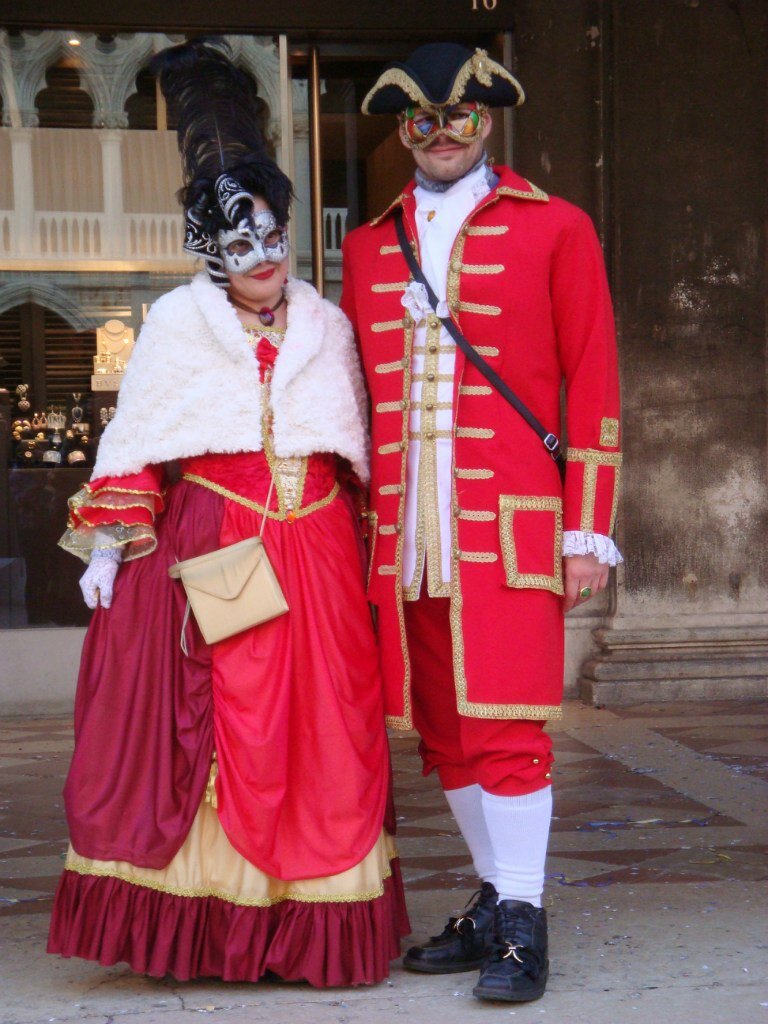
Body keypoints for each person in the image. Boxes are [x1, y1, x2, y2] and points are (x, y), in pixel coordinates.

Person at [47, 39, 408, 987]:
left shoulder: (327, 324)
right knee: (225, 728)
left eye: (274, 237)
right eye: (242, 243)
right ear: (211, 249)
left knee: (324, 732)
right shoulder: (177, 323)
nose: (264, 258)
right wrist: (109, 544)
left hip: (319, 559)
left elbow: (359, 452)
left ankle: (310, 924)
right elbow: (138, 438)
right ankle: (220, 931)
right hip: (217, 552)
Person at [340, 43, 622, 1003]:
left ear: (487, 121)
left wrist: (587, 530)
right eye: (423, 120)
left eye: (459, 117)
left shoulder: (559, 227)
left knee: (508, 727)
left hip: (510, 525)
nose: (442, 135)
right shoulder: (368, 246)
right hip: (404, 534)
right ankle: (498, 900)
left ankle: (525, 921)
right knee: (445, 734)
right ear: (403, 130)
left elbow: (594, 380)